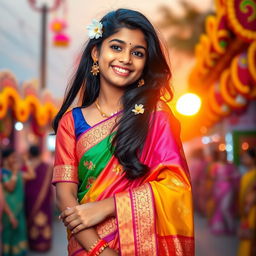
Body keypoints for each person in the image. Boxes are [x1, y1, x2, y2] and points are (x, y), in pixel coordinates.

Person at [53, 9, 194, 256]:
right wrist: (101, 250)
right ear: (96, 53)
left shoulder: (156, 116)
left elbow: (176, 186)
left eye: (137, 53)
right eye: (116, 47)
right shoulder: (71, 122)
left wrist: (109, 207)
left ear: (145, 62)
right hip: (88, 247)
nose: (126, 58)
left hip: (143, 245)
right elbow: (66, 196)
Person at [1, 148, 35, 256]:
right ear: (5, 159)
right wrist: (15, 173)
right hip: (8, 212)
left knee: (19, 234)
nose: (15, 160)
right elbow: (10, 187)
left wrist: (26, 161)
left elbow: (32, 175)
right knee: (9, 236)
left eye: (16, 157)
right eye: (12, 157)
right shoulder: (3, 173)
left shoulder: (17, 172)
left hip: (19, 210)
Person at [24, 145, 53, 252]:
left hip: (30, 199)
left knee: (33, 221)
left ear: (30, 154)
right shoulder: (47, 167)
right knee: (44, 220)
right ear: (39, 154)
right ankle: (44, 244)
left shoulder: (26, 167)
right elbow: (49, 185)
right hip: (44, 199)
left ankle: (33, 244)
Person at [208, 150, 239, 235]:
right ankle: (224, 227)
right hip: (218, 188)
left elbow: (237, 176)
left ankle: (231, 226)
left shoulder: (231, 166)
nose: (223, 157)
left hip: (228, 188)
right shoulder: (216, 166)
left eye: (225, 155)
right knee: (219, 207)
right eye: (222, 155)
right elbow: (212, 176)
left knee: (225, 208)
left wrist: (229, 178)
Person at [237, 148, 256, 256]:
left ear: (253, 159)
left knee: (251, 239)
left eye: (246, 157)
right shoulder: (247, 174)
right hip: (246, 209)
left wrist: (248, 206)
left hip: (252, 210)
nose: (243, 160)